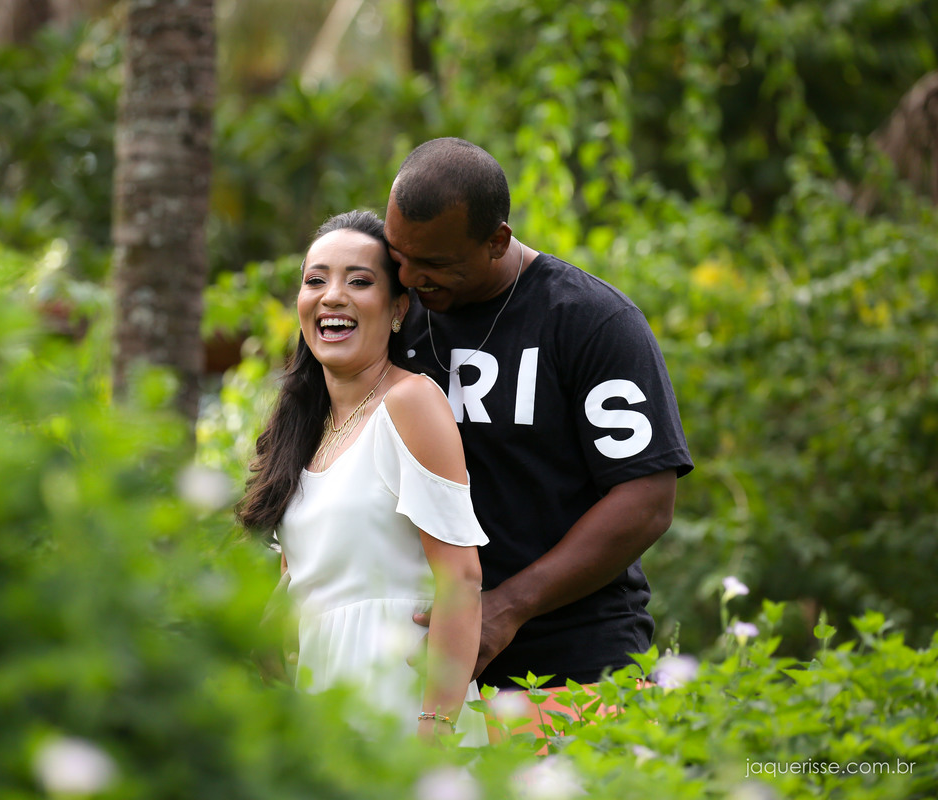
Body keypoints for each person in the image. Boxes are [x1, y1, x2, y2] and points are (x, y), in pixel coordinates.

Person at [383, 138, 694, 704]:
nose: (408, 277)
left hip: (572, 660)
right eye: (398, 253)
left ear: (497, 241)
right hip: (418, 658)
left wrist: (507, 608)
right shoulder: (390, 315)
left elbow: (647, 499)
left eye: (435, 265)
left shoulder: (590, 322)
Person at [238, 210, 489, 745]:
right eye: (316, 280)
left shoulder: (411, 402)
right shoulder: (302, 432)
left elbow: (461, 581)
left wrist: (437, 732)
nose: (332, 296)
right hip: (322, 712)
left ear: (398, 309)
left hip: (406, 706)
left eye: (358, 281)